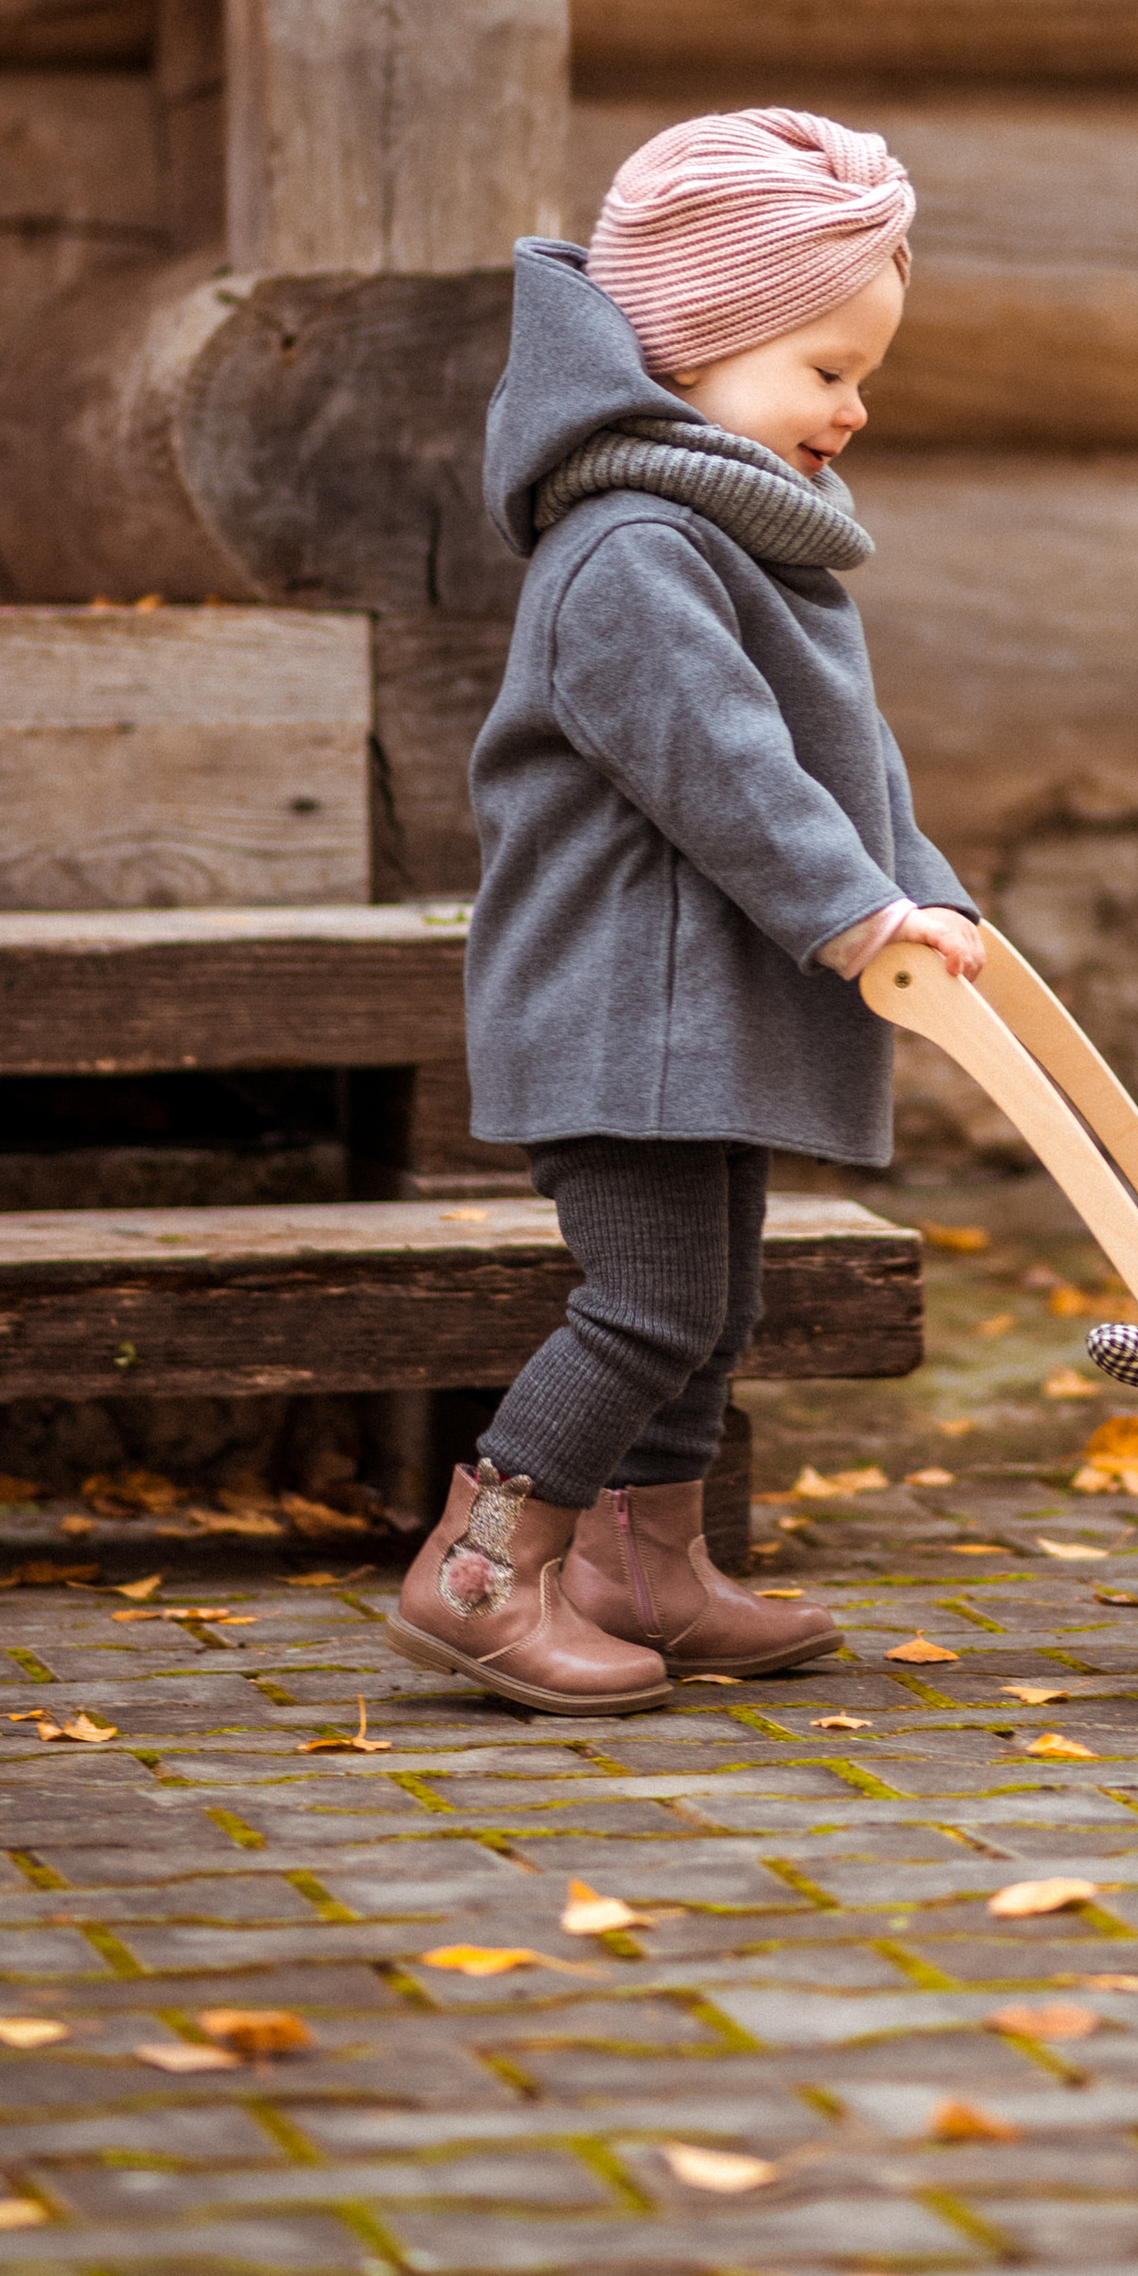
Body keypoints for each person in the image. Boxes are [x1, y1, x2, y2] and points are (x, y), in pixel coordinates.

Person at [387, 108, 981, 1711]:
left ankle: (643, 1562)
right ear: (694, 350)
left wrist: (919, 889)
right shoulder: (632, 549)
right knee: (645, 1302)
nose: (855, 412)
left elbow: (842, 763)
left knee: (711, 1310)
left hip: (692, 1016)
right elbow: (726, 773)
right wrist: (851, 914)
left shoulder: (740, 544)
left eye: (866, 378)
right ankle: (484, 1565)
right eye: (828, 370)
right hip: (619, 1007)